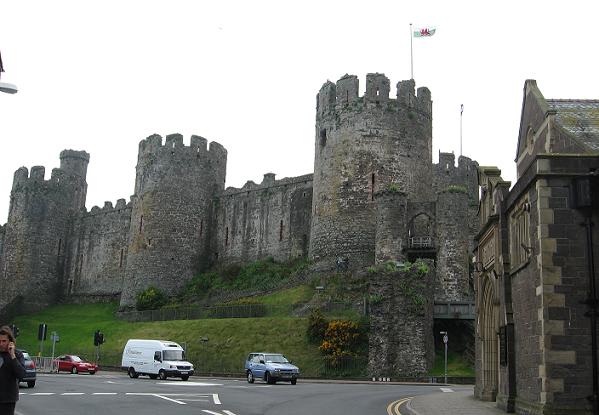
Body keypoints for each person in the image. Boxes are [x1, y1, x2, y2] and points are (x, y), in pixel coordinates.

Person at [0, 326, 25, 415]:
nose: (1, 344)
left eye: (4, 341)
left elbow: (21, 374)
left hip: (7, 400)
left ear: (10, 342)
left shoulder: (17, 355)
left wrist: (12, 356)